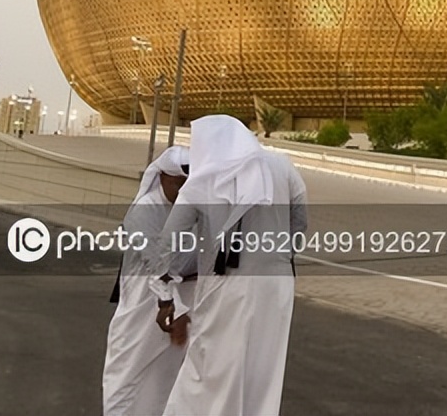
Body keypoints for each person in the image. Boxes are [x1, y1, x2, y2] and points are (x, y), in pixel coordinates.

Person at [151, 114, 308, 416]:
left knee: (208, 371)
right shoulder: (283, 167)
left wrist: (164, 297)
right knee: (262, 374)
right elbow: (299, 223)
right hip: (277, 289)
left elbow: (167, 243)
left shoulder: (203, 179)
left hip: (226, 289)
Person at [103, 147, 192, 416]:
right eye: (178, 184)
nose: (182, 191)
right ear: (162, 176)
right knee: (125, 374)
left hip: (178, 302)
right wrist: (172, 307)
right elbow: (157, 264)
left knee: (165, 378)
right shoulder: (145, 210)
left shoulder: (188, 208)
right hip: (144, 304)